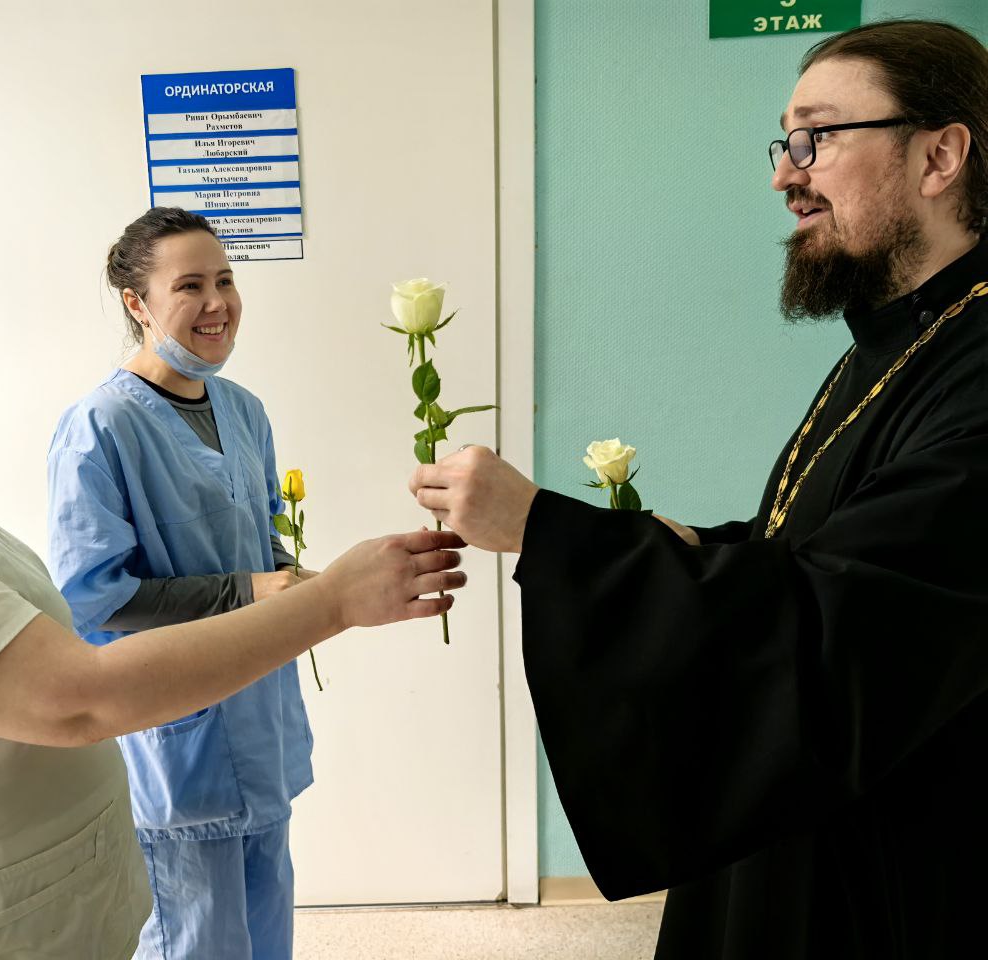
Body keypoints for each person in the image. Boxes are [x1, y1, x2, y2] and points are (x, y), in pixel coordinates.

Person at [0, 147, 466, 960]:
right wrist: (326, 601)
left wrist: (305, 586)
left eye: (225, 280)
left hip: (74, 880)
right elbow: (76, 689)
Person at [410, 19, 988, 960]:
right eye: (785, 143)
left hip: (904, 864)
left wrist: (548, 530)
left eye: (817, 137)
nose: (785, 174)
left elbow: (855, 627)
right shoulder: (903, 338)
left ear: (939, 156)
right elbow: (816, 542)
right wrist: (694, 547)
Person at [45, 207, 313, 960]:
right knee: (197, 939)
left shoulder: (244, 412)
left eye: (224, 280)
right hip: (178, 733)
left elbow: (260, 542)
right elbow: (93, 597)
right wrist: (248, 594)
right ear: (138, 302)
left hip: (260, 715)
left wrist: (298, 586)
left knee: (268, 935)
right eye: (189, 286)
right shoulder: (99, 427)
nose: (217, 303)